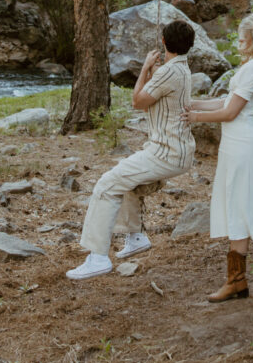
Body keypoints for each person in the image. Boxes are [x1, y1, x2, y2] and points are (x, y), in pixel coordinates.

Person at [65, 19, 195, 281]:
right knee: (127, 181)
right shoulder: (181, 69)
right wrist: (152, 73)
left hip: (165, 152)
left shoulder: (167, 72)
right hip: (176, 150)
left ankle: (98, 257)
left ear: (163, 42)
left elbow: (137, 101)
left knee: (105, 185)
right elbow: (150, 101)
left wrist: (146, 67)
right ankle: (135, 236)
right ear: (190, 45)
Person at [182, 11, 253, 301]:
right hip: (234, 141)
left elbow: (231, 112)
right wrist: (194, 104)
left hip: (243, 141)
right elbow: (225, 102)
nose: (239, 39)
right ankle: (237, 281)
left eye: (245, 34)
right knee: (237, 205)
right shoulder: (249, 67)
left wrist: (194, 117)